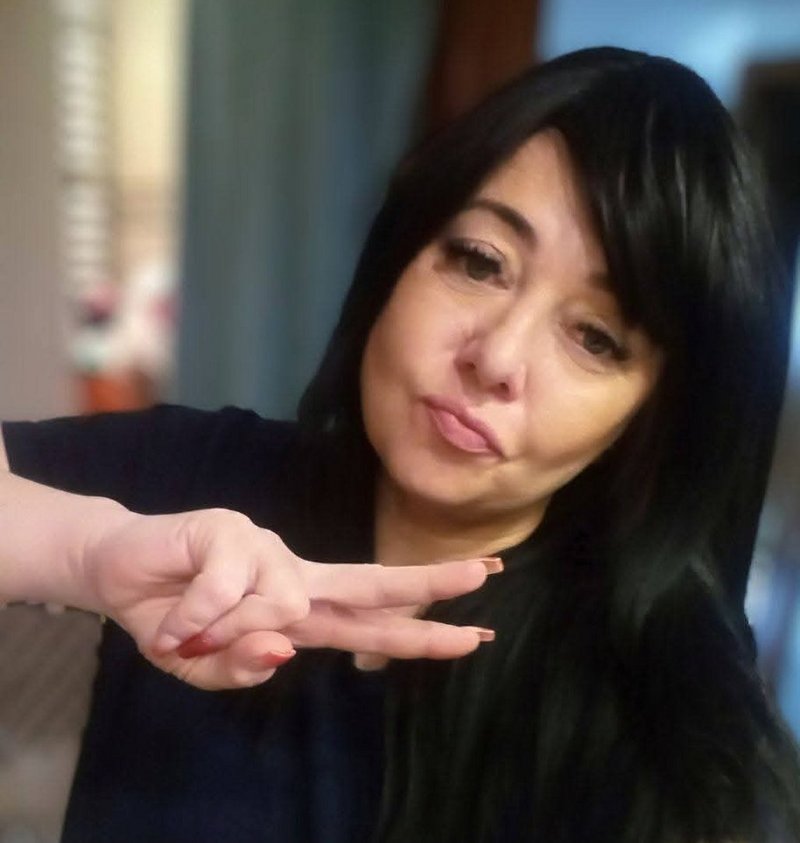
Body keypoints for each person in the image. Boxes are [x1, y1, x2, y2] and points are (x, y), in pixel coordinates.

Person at [1, 46, 799, 843]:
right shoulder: (200, 479)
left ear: (646, 416)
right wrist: (87, 551)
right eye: (481, 261)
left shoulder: (675, 744)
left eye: (594, 337)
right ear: (401, 254)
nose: (496, 357)